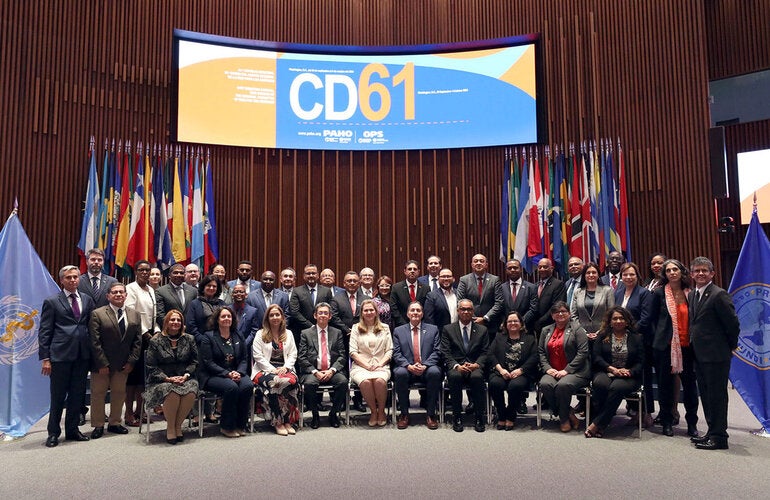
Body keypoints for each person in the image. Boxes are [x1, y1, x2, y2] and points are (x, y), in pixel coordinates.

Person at [38, 265, 95, 447]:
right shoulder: (52, 301)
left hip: (82, 355)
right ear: (62, 280)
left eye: (75, 277)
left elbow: (89, 326)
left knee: (77, 395)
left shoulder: (86, 299)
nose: (72, 280)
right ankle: (53, 433)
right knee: (58, 396)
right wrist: (46, 358)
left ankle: (72, 430)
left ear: (79, 279)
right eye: (68, 277)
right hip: (60, 356)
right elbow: (45, 331)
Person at [688, 257, 740, 450]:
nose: (701, 274)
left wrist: (729, 346)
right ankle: (711, 431)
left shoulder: (719, 295)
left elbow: (733, 324)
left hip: (717, 355)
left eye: (705, 271)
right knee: (707, 396)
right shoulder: (693, 294)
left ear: (712, 274)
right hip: (700, 355)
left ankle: (719, 437)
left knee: (717, 397)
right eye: (697, 271)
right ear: (692, 274)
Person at [651, 258, 698, 438]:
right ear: (665, 274)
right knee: (665, 386)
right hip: (666, 348)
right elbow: (653, 320)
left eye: (675, 269)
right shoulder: (658, 293)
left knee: (690, 387)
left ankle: (692, 423)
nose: (672, 273)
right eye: (668, 270)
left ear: (681, 272)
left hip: (688, 347)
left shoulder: (690, 293)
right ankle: (667, 422)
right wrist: (659, 339)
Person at [88, 282, 142, 439]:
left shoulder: (134, 314)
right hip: (102, 364)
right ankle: (98, 425)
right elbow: (94, 341)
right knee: (98, 394)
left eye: (121, 292)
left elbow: (137, 341)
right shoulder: (98, 314)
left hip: (123, 364)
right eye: (115, 292)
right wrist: (102, 363)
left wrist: (132, 361)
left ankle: (115, 423)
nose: (118, 295)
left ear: (126, 295)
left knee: (119, 394)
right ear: (108, 296)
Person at [585, 306, 644, 438]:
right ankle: (601, 423)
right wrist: (611, 369)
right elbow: (596, 357)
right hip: (606, 371)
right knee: (600, 384)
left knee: (617, 387)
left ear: (627, 321)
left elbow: (641, 362)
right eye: (615, 318)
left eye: (621, 318)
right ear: (610, 321)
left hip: (628, 375)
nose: (618, 321)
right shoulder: (602, 336)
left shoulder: (637, 338)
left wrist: (629, 371)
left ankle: (597, 424)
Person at [144, 310, 199, 444]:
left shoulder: (189, 339)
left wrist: (186, 375)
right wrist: (168, 379)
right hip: (160, 380)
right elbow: (151, 366)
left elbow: (195, 361)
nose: (175, 322)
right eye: (172, 320)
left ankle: (177, 425)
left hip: (184, 377)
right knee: (172, 391)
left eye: (178, 320)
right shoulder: (155, 340)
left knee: (191, 390)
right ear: (166, 323)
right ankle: (170, 428)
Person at [199, 306, 254, 438]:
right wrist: (227, 374)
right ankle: (226, 426)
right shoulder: (208, 337)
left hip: (236, 372)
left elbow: (244, 359)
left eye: (229, 316)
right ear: (217, 319)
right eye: (223, 316)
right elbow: (208, 362)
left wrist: (239, 372)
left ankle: (241, 424)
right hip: (213, 375)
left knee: (247, 386)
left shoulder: (238, 335)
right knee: (231, 388)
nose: (226, 319)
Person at [538, 301, 590, 433]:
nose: (560, 314)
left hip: (576, 371)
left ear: (569, 313)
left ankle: (564, 419)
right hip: (552, 370)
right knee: (545, 384)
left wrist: (566, 370)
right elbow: (541, 352)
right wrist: (547, 368)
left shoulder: (577, 329)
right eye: (556, 312)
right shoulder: (546, 330)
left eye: (563, 311)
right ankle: (568, 412)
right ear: (552, 315)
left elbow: (582, 353)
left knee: (563, 386)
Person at [614, 262, 654, 425]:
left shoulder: (644, 293)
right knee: (627, 375)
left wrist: (629, 333)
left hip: (639, 341)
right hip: (621, 341)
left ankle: (647, 412)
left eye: (632, 274)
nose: (628, 277)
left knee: (644, 377)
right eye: (625, 275)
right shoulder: (619, 292)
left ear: (637, 276)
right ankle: (634, 409)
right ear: (621, 277)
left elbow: (646, 318)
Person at [441, 298, 489, 433]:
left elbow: (486, 352)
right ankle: (457, 416)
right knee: (454, 377)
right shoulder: (448, 329)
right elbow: (445, 351)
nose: (466, 312)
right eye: (463, 309)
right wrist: (456, 366)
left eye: (469, 309)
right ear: (458, 311)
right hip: (457, 366)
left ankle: (479, 416)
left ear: (473, 311)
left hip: (475, 366)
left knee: (477, 378)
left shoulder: (482, 330)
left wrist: (476, 364)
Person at [392, 302, 442, 430]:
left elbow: (437, 351)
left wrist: (425, 365)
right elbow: (396, 353)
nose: (415, 312)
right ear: (408, 314)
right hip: (407, 368)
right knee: (399, 373)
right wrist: (408, 366)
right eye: (412, 310)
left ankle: (431, 414)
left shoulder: (433, 329)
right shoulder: (398, 331)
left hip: (426, 367)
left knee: (435, 372)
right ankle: (404, 414)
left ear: (422, 314)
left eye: (418, 310)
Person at [297, 302, 348, 429]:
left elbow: (342, 356)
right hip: (313, 372)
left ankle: (333, 413)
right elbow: (301, 358)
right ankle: (315, 415)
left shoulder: (337, 332)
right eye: (320, 313)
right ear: (315, 315)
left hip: (332, 371)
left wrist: (332, 370)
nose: (323, 315)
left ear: (330, 316)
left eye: (326, 313)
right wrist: (315, 372)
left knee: (343, 382)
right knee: (309, 384)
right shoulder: (306, 333)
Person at [252, 304, 300, 436]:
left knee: (292, 381)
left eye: (277, 314)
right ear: (267, 318)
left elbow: (293, 354)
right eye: (271, 315)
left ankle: (287, 421)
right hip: (263, 370)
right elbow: (257, 356)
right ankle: (278, 422)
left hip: (285, 369)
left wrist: (286, 367)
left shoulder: (288, 333)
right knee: (275, 383)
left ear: (282, 317)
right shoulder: (259, 334)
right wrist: (273, 370)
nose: (275, 317)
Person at [487, 311, 538, 430]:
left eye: (516, 321)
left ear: (521, 323)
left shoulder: (530, 338)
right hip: (501, 372)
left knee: (515, 386)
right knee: (495, 384)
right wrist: (501, 370)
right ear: (505, 324)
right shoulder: (499, 337)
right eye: (509, 321)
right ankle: (501, 414)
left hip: (521, 373)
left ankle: (510, 415)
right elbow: (490, 354)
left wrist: (521, 370)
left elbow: (534, 357)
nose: (512, 323)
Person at [124, 260, 157, 427]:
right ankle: (129, 413)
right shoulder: (130, 289)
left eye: (147, 270)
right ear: (135, 271)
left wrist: (156, 331)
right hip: (136, 338)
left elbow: (153, 315)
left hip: (150, 337)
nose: (145, 273)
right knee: (132, 379)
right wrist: (145, 333)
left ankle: (141, 410)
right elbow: (131, 312)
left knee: (144, 379)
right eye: (141, 270)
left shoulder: (151, 289)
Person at [349, 299, 393, 427]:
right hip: (360, 366)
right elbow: (353, 351)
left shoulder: (385, 328)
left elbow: (389, 350)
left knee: (380, 381)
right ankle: (374, 411)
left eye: (371, 310)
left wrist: (380, 364)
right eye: (366, 310)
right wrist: (366, 365)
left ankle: (381, 411)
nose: (369, 312)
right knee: (366, 382)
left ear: (376, 312)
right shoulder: (356, 328)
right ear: (362, 313)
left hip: (381, 364)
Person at [456, 253, 504, 333]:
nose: (478, 263)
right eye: (476, 261)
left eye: (481, 261)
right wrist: (473, 318)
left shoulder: (495, 280)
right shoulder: (464, 280)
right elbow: (460, 301)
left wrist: (485, 318)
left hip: (491, 324)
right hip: (470, 323)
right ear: (472, 264)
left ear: (486, 265)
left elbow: (499, 303)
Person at [570, 262, 614, 344]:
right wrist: (583, 332)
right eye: (588, 273)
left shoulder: (607, 290)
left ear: (598, 275)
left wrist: (599, 332)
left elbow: (611, 314)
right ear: (584, 275)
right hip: (581, 336)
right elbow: (573, 315)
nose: (591, 275)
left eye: (594, 272)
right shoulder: (578, 292)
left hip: (603, 336)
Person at [289, 264, 334, 344]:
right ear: (304, 276)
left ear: (317, 275)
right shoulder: (297, 291)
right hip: (302, 331)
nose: (311, 275)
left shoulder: (326, 291)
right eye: (308, 273)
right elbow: (295, 312)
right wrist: (311, 326)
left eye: (313, 273)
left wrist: (320, 326)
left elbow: (331, 310)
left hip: (323, 330)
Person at [184, 274, 225, 343]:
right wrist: (203, 339)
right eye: (209, 285)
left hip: (221, 342)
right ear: (203, 287)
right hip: (200, 343)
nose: (211, 288)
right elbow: (190, 325)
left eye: (214, 286)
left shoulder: (222, 304)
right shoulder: (195, 304)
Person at [501, 259, 538, 332]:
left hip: (526, 329)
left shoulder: (531, 287)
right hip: (506, 329)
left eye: (515, 268)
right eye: (509, 268)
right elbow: (499, 308)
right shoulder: (501, 288)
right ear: (506, 271)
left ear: (521, 269)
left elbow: (533, 309)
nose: (512, 270)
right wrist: (507, 323)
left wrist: (520, 322)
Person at [533, 258, 567, 336]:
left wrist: (540, 322)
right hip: (535, 327)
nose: (542, 269)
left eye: (545, 267)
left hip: (551, 326)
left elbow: (556, 306)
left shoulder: (558, 284)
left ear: (551, 268)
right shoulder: (535, 285)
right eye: (540, 267)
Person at [390, 260, 429, 327]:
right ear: (405, 271)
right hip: (401, 325)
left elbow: (427, 309)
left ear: (418, 272)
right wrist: (404, 324)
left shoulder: (426, 288)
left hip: (421, 325)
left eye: (415, 269)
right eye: (409, 269)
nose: (412, 271)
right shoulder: (396, 288)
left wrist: (420, 323)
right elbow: (393, 308)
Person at [330, 271, 365, 336]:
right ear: (344, 283)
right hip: (343, 335)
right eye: (349, 281)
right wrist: (347, 329)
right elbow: (334, 317)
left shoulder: (366, 299)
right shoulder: (336, 299)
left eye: (355, 281)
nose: (352, 283)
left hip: (362, 335)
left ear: (359, 283)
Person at [424, 268, 458, 332]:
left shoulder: (459, 294)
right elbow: (429, 319)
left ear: (453, 279)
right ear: (438, 279)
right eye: (443, 276)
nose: (446, 279)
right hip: (441, 334)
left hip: (458, 334)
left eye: (448, 276)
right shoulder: (431, 296)